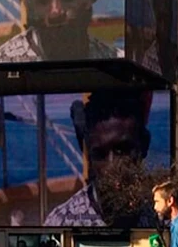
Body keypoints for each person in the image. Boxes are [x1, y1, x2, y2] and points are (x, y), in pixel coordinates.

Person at [45, 90, 155, 228]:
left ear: (144, 145)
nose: (111, 167)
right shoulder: (62, 223)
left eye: (122, 151)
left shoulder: (165, 216)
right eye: (100, 155)